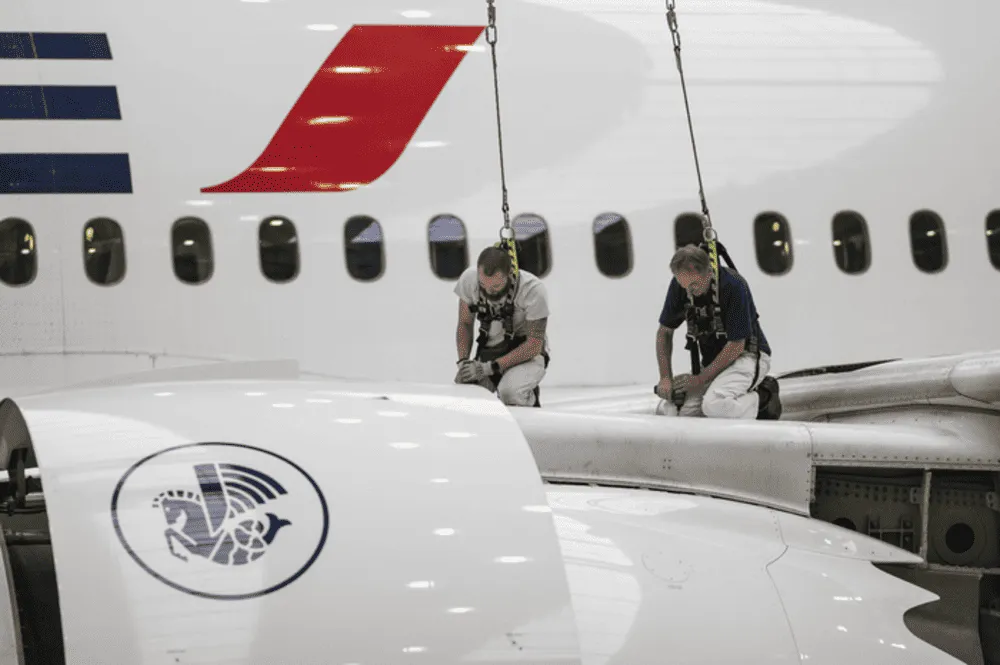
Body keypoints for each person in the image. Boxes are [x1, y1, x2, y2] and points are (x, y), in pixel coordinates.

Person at [654, 244, 781, 419]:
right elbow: (664, 333)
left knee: (715, 405)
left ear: (709, 272)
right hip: (715, 361)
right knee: (684, 412)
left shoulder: (734, 286)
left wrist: (700, 379)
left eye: (694, 285)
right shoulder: (682, 285)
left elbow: (736, 345)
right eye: (684, 286)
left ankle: (761, 397)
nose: (689, 292)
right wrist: (665, 377)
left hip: (747, 356)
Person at [453, 246, 550, 407]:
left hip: (526, 355)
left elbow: (534, 344)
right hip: (490, 352)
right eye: (483, 285)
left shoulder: (532, 290)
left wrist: (490, 368)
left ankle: (530, 404)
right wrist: (463, 361)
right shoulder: (469, 281)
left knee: (510, 393)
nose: (489, 292)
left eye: (496, 287)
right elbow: (465, 323)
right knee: (466, 393)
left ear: (510, 275)